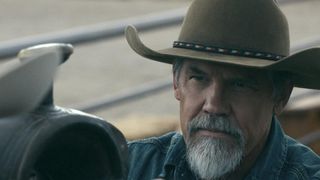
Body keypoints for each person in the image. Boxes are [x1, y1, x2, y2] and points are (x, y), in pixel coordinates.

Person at [125, 0, 320, 179]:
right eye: (198, 78)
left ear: (281, 96)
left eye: (239, 85)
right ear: (177, 84)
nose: (214, 105)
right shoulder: (129, 167)